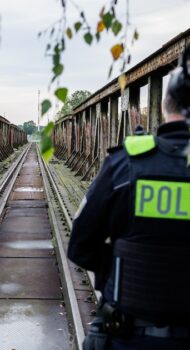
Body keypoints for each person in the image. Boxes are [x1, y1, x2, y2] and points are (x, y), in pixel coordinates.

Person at [67, 46, 190, 350]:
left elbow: (80, 246)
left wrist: (123, 267)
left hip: (132, 335)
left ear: (164, 107)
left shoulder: (126, 165)